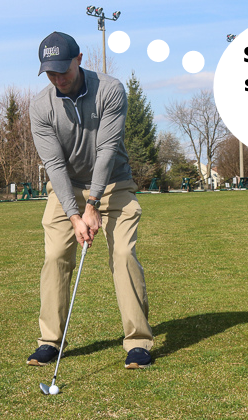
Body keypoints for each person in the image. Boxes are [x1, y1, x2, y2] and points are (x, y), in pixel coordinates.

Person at [27, 31, 153, 369]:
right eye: (50, 73)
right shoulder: (40, 106)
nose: (58, 79)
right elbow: (54, 165)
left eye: (63, 70)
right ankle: (50, 341)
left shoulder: (110, 90)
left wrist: (92, 204)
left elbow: (107, 150)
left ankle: (138, 343)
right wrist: (74, 214)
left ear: (79, 59)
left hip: (113, 183)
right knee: (55, 255)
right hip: (66, 187)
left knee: (123, 254)